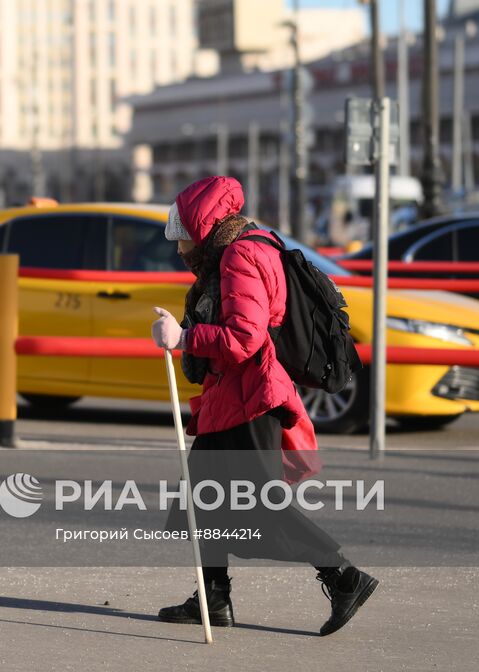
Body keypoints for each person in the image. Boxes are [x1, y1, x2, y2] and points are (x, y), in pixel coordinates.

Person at [150, 175, 377, 636]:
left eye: (184, 235)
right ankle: (212, 599)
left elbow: (244, 337)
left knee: (258, 507)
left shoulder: (241, 255)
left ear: (204, 226)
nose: (180, 247)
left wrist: (184, 337)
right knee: (203, 501)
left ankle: (344, 577)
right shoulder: (244, 247)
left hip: (251, 399)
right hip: (230, 396)